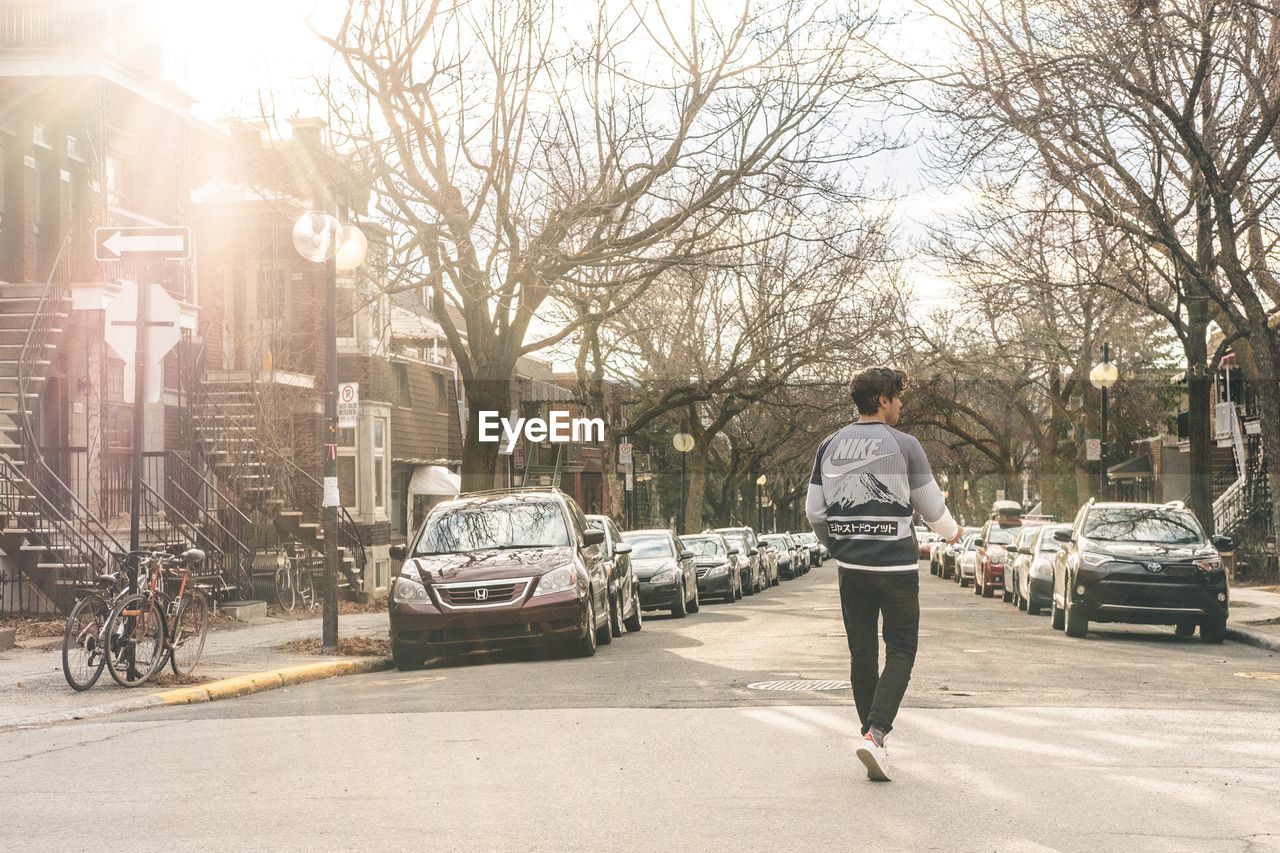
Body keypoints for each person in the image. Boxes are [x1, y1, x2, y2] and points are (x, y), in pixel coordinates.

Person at [806, 366, 962, 782]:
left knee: (862, 653)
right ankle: (876, 735)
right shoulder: (906, 445)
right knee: (901, 649)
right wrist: (952, 532)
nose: (900, 405)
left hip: (851, 568)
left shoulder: (828, 445)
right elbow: (931, 509)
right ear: (882, 400)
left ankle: (874, 740)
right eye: (897, 397)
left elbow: (814, 512)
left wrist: (836, 545)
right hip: (895, 567)